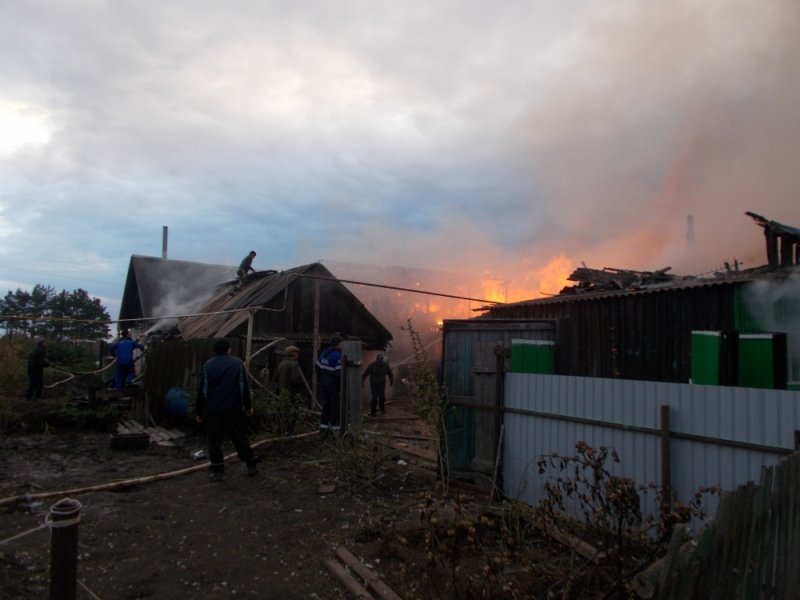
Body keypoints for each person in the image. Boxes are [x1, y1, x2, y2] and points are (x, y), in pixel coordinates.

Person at [196, 339, 258, 481]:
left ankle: (218, 471)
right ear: (229, 349)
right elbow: (244, 388)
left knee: (214, 441)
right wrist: (248, 407)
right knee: (239, 437)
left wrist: (200, 412)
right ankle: (251, 464)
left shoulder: (208, 365)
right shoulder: (237, 364)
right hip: (233, 408)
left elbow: (203, 391)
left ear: (215, 350)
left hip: (214, 410)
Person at [316, 335, 342, 431]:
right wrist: (341, 387)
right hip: (333, 387)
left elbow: (317, 367)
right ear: (338, 344)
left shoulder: (324, 353)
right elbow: (340, 374)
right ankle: (335, 430)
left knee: (326, 407)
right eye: (342, 343)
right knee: (335, 408)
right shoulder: (337, 356)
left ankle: (323, 428)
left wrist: (322, 380)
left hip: (324, 385)